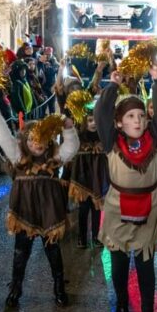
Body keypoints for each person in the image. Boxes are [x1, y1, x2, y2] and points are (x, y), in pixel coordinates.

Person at [94, 65, 157, 312]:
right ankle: (123, 304)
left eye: (141, 115)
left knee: (146, 266)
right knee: (119, 265)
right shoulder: (111, 141)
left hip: (149, 209)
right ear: (119, 123)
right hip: (117, 209)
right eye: (130, 116)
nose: (137, 121)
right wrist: (112, 87)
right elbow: (100, 114)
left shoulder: (156, 139)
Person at [0, 103, 79, 308]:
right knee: (20, 253)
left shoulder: (54, 159)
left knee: (53, 251)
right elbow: (4, 138)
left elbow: (71, 147)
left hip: (49, 214)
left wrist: (69, 129)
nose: (37, 143)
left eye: (42, 139)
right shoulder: (20, 158)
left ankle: (59, 288)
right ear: (25, 141)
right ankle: (15, 289)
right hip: (25, 212)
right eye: (32, 139)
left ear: (48, 140)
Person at [67, 106, 106, 249]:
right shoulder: (79, 137)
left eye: (95, 120)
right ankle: (82, 237)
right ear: (84, 122)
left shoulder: (103, 136)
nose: (93, 123)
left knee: (97, 208)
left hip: (97, 178)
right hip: (83, 178)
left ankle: (96, 236)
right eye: (90, 120)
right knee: (83, 209)